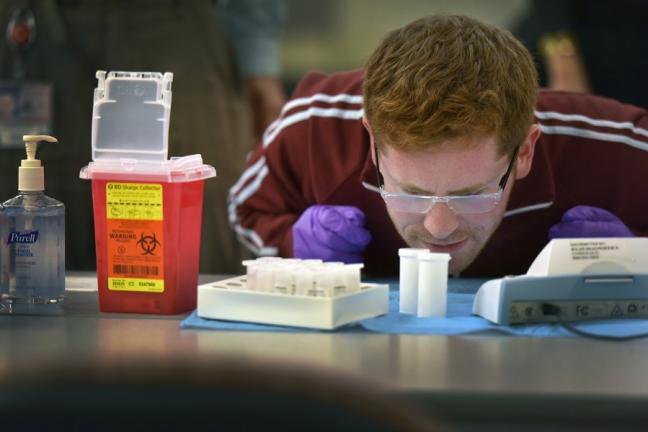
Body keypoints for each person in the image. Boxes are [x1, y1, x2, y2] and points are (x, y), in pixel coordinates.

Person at [229, 15, 648, 278]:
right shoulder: (315, 127)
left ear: (524, 151)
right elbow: (246, 210)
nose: (438, 229)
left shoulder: (614, 144)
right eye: (410, 192)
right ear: (372, 141)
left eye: (472, 194)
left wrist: (635, 255)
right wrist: (293, 244)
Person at [0, 0, 286, 274]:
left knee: (191, 212)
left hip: (175, 24)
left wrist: (257, 55)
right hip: (38, 28)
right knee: (32, 222)